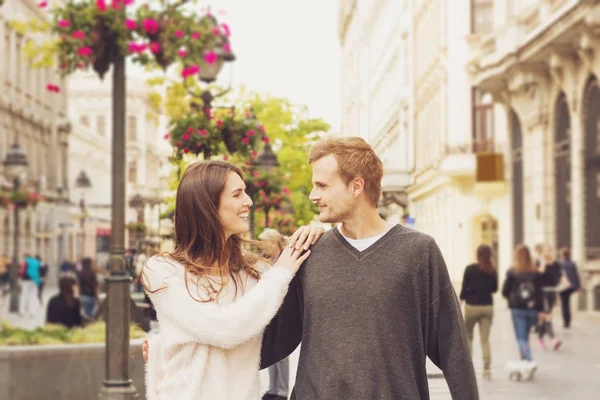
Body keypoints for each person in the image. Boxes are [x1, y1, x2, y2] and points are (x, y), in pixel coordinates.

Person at [259, 137, 478, 399]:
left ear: (356, 186)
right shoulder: (309, 253)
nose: (313, 195)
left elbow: (453, 346)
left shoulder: (418, 251)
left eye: (322, 185)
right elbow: (270, 342)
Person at [141, 161, 321, 400]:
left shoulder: (252, 272)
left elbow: (278, 330)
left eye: (245, 192)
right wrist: (282, 271)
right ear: (207, 206)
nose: (249, 201)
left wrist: (314, 235)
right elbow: (224, 329)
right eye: (237, 194)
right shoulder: (163, 271)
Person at [501, 244, 561, 378]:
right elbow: (539, 293)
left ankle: (529, 360)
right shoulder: (535, 272)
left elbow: (505, 291)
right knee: (525, 337)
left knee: (521, 338)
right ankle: (525, 363)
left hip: (517, 310)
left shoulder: (512, 272)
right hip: (532, 309)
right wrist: (540, 310)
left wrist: (512, 300)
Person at [259, 228, 292, 400]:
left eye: (265, 242)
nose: (263, 246)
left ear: (273, 242)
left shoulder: (284, 260)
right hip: (269, 311)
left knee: (281, 353)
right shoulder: (269, 260)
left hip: (282, 311)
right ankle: (273, 388)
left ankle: (282, 391)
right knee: (271, 349)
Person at [459, 244, 498, 380]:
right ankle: (487, 369)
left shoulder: (470, 269)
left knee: (468, 336)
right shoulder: (492, 271)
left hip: (471, 307)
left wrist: (460, 302)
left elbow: (464, 289)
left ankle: (468, 370)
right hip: (487, 307)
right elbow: (495, 289)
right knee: (485, 340)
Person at [536, 245, 562, 351]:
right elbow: (538, 275)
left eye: (550, 250)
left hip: (552, 292)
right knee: (547, 317)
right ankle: (553, 339)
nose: (548, 252)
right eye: (546, 250)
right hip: (542, 293)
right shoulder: (539, 262)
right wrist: (543, 264)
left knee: (546, 317)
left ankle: (540, 338)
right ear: (542, 252)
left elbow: (559, 276)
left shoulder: (556, 264)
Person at [558, 247, 581, 328]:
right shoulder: (572, 263)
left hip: (563, 286)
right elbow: (576, 275)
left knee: (564, 304)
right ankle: (568, 321)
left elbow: (558, 275)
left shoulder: (560, 263)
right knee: (567, 303)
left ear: (562, 255)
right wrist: (578, 287)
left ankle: (566, 322)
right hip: (571, 287)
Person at [19, 253, 41, 317]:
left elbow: (21, 271)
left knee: (23, 295)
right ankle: (32, 312)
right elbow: (40, 271)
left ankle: (22, 311)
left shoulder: (25, 262)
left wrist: (21, 277)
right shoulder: (36, 262)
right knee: (33, 296)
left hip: (26, 280)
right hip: (34, 281)